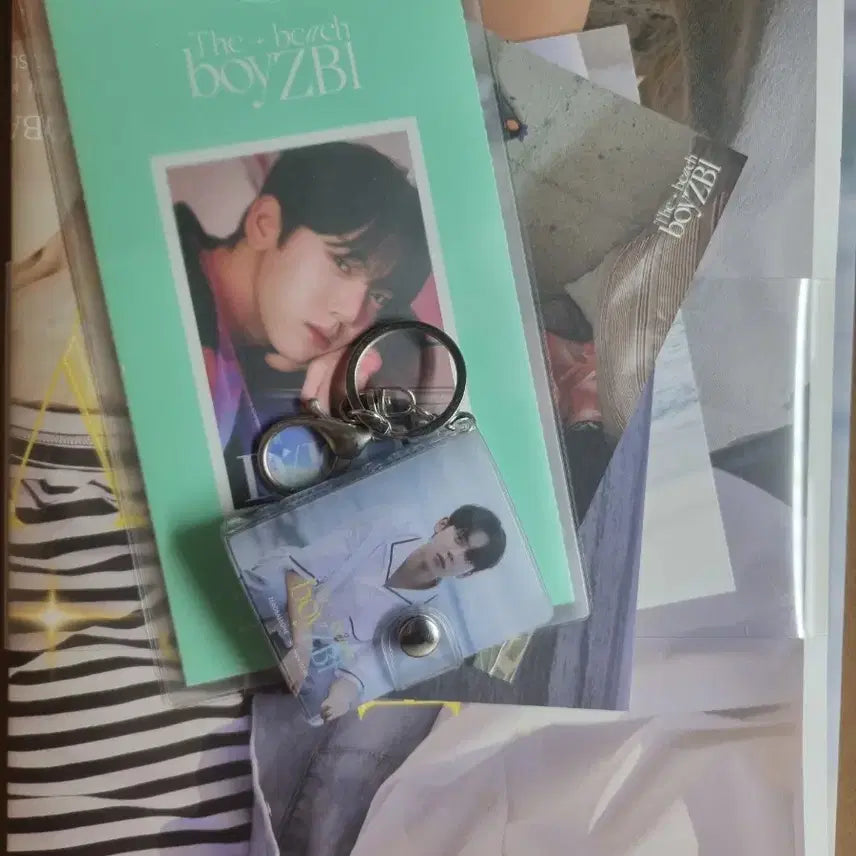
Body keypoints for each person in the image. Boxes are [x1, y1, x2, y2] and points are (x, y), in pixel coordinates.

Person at [173, 141, 432, 503]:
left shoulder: (249, 332)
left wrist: (365, 359)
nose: (351, 312)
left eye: (378, 296)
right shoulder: (179, 334)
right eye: (343, 263)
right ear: (264, 224)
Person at [241, 504, 507, 722]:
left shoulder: (427, 618)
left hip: (321, 643)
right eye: (459, 539)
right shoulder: (385, 526)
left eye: (468, 559)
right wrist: (302, 644)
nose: (454, 554)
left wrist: (342, 695)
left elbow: (372, 663)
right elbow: (299, 572)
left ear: (467, 574)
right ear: (442, 524)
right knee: (267, 589)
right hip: (293, 592)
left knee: (316, 701)